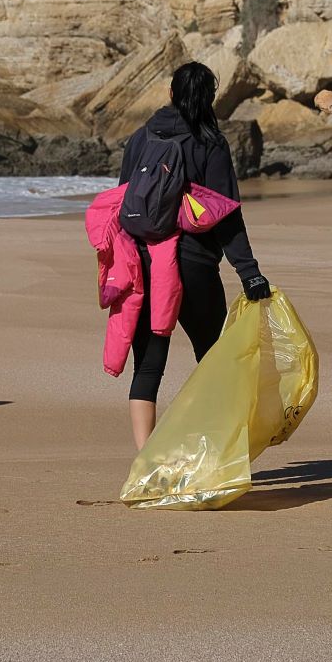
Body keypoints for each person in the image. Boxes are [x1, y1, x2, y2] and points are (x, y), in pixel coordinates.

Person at [118, 62, 271, 448]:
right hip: (193, 263)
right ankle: (216, 450)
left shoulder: (140, 137)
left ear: (171, 93)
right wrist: (249, 271)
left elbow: (123, 200)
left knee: (148, 365)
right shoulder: (210, 142)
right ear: (209, 99)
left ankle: (145, 459)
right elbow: (226, 214)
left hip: (145, 262)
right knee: (215, 360)